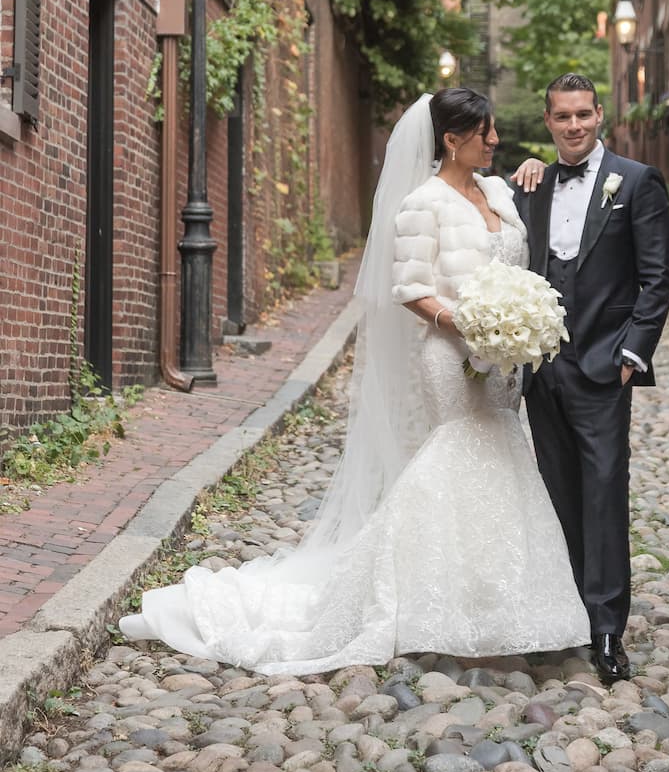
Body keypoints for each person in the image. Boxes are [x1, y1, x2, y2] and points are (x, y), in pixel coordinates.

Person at [119, 88, 590, 674]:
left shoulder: (498, 190)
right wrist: (467, 324)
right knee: (458, 457)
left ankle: (495, 605)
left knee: (502, 460)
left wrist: (515, 324)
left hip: (505, 362)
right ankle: (416, 598)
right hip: (453, 355)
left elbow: (538, 225)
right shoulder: (422, 204)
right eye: (485, 132)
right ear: (451, 139)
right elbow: (412, 289)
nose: (495, 140)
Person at [510, 73, 669, 683]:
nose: (574, 125)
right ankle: (566, 615)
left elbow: (658, 278)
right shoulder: (529, 184)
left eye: (584, 114)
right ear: (548, 121)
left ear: (599, 115)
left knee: (604, 491)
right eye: (562, 117)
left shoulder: (635, 182)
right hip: (540, 366)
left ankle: (607, 628)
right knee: (556, 492)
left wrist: (633, 354)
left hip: (605, 366)